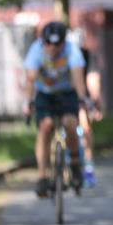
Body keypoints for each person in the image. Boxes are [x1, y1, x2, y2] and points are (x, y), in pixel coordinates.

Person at [24, 21, 94, 198]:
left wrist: (82, 99)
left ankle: (75, 163)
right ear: (43, 41)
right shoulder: (36, 51)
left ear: (64, 42)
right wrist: (28, 102)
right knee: (45, 127)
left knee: (70, 124)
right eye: (48, 43)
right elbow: (31, 80)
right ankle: (42, 176)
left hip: (66, 93)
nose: (52, 48)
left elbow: (78, 77)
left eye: (57, 44)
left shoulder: (72, 51)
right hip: (45, 95)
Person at [77, 45, 104, 185]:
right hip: (63, 96)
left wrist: (96, 103)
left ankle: (88, 166)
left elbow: (94, 82)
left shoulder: (86, 56)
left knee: (85, 128)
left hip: (81, 98)